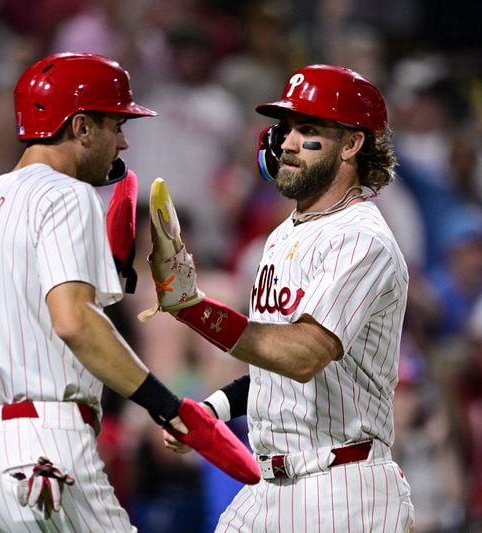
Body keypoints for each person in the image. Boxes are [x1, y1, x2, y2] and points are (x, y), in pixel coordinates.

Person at [0, 52, 256, 532]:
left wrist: (115, 276)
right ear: (81, 128)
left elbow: (25, 311)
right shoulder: (67, 193)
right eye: (115, 124)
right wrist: (167, 406)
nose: (123, 140)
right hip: (37, 444)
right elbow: (72, 321)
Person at [155, 64, 415, 531]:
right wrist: (211, 410)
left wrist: (194, 310)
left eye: (309, 129)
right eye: (287, 127)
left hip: (342, 490)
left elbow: (303, 355)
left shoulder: (362, 239)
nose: (288, 142)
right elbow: (274, 371)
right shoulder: (281, 236)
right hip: (270, 488)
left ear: (352, 144)